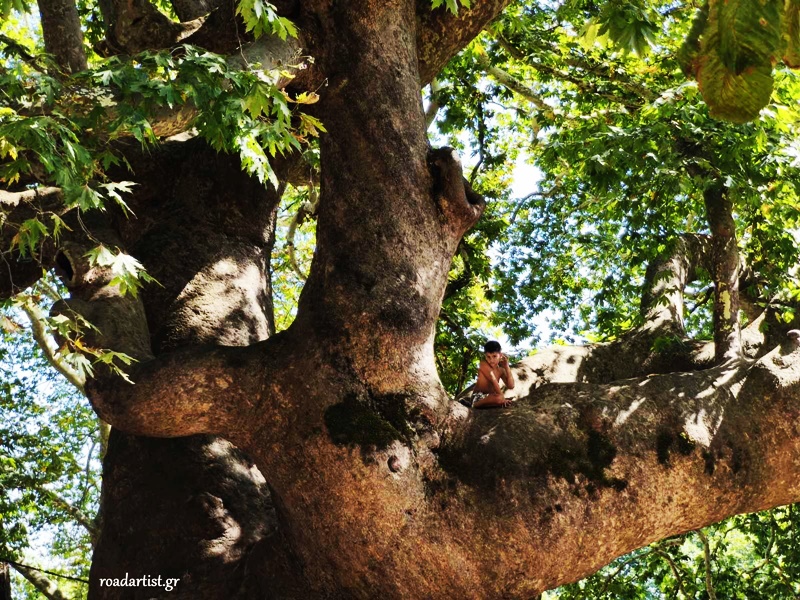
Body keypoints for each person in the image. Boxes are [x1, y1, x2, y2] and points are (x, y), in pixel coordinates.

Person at [469, 340, 515, 408]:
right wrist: (502, 399)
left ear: (500, 355)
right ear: (485, 356)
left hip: (490, 396)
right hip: (478, 396)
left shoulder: (501, 370)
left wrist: (506, 366)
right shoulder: (483, 364)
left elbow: (511, 386)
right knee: (499, 398)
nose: (491, 360)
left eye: (494, 356)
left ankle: (490, 403)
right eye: (488, 357)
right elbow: (493, 379)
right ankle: (474, 404)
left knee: (498, 398)